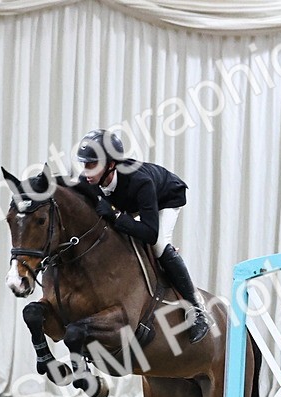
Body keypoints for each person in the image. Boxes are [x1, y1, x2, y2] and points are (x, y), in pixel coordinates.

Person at [75, 129, 210, 343]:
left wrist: (117, 216)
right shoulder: (89, 180)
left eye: (93, 165)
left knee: (158, 245)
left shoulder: (141, 182)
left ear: (110, 165)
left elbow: (149, 232)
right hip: (130, 201)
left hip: (166, 196)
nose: (86, 171)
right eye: (84, 164)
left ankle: (196, 309)